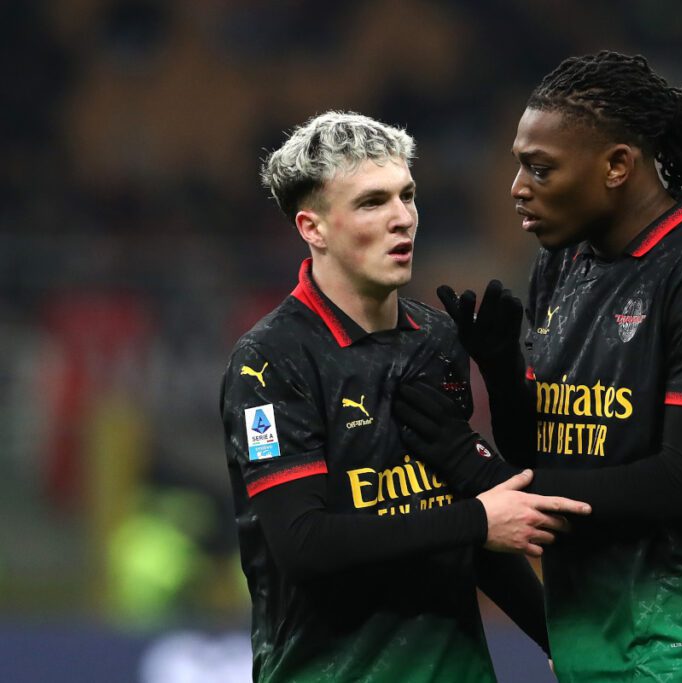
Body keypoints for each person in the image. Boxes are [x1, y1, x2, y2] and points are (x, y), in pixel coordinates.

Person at [393, 52, 682, 681]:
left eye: (540, 168)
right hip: (592, 630)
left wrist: (485, 477)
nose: (517, 187)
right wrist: (500, 370)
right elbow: (546, 449)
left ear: (616, 166)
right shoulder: (562, 261)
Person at [219, 111, 591, 682]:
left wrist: (557, 638)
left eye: (407, 196)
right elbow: (304, 543)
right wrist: (476, 519)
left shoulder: (438, 338)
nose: (402, 219)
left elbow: (472, 536)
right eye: (372, 202)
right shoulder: (271, 359)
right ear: (313, 228)